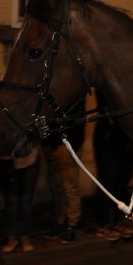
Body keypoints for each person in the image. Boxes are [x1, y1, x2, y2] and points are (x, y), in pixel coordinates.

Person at [93, 91, 133, 242]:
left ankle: (118, 221)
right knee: (108, 183)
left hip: (125, 142)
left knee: (121, 184)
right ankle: (103, 223)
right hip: (108, 141)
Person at [42, 101, 84, 244]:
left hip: (65, 144)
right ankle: (61, 221)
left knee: (69, 187)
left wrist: (70, 144)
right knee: (57, 187)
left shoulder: (72, 97)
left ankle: (72, 224)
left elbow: (77, 119)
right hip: (52, 143)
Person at [0, 146, 39, 253]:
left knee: (26, 200)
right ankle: (12, 236)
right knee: (11, 201)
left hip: (30, 157)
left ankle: (25, 236)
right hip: (7, 159)